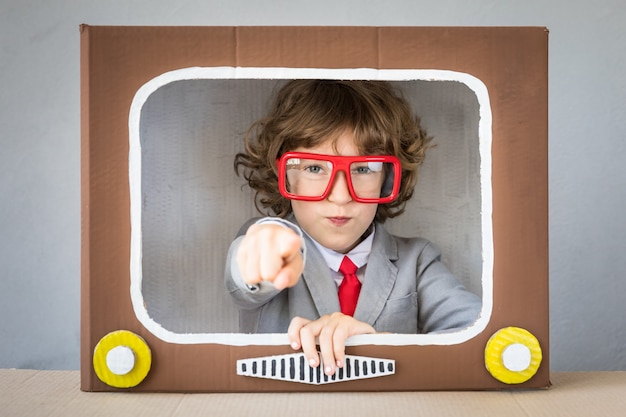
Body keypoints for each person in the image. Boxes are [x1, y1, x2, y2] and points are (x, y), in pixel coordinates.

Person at [224, 79, 481, 377]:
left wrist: (379, 348)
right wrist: (263, 248)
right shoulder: (270, 241)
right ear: (285, 175)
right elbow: (248, 273)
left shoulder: (417, 261)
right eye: (314, 168)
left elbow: (479, 338)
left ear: (386, 178)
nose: (341, 196)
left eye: (362, 169)